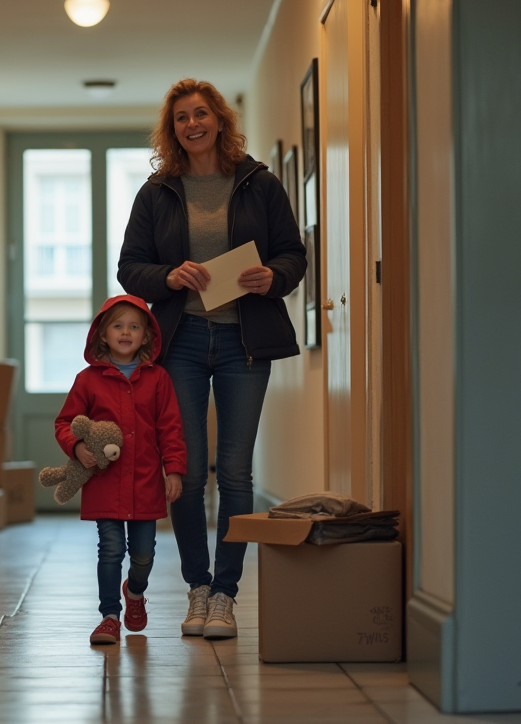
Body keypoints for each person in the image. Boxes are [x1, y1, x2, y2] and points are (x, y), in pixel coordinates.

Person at [117, 78, 306, 640]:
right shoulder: (157, 192)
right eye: (181, 118)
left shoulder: (259, 184)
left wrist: (273, 277)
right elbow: (130, 267)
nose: (192, 124)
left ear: (220, 120)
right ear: (171, 129)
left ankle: (226, 595)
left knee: (237, 472)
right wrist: (168, 275)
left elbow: (293, 255)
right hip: (182, 343)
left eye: (201, 113)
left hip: (245, 342)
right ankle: (197, 588)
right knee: (187, 471)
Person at [53, 294, 188, 645]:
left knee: (143, 554)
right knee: (110, 550)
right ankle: (109, 616)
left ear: (147, 336)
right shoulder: (88, 380)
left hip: (145, 483)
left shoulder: (158, 380)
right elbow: (65, 422)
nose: (126, 332)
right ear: (102, 334)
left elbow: (170, 428)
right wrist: (77, 447)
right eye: (117, 326)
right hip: (105, 484)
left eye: (134, 326)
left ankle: (136, 591)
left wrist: (173, 469)